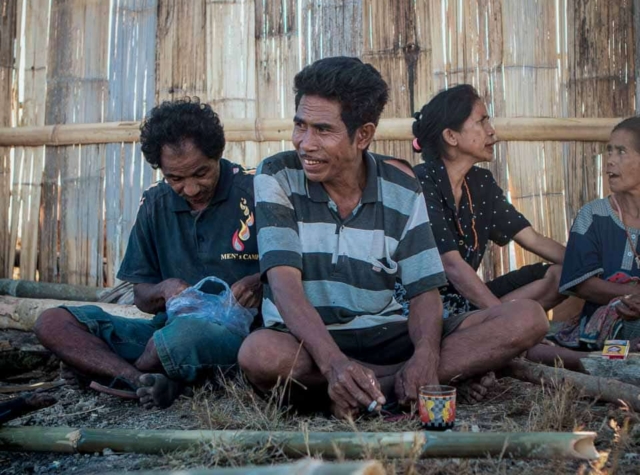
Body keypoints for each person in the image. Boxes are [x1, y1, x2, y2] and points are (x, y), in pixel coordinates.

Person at [238, 57, 549, 419]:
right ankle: (381, 386)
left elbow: (424, 290)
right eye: (300, 126)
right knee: (260, 354)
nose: (305, 143)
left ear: (363, 135)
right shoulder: (276, 175)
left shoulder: (401, 187)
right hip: (308, 342)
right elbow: (283, 284)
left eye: (323, 130)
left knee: (528, 318)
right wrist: (334, 363)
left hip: (384, 334)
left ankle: (370, 391)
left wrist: (426, 356)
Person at [34, 99, 261, 409]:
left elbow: (299, 268)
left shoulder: (255, 191)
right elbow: (141, 296)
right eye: (176, 179)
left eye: (201, 173)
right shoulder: (156, 203)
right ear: (161, 170)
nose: (191, 189)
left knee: (177, 339)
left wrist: (260, 280)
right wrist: (163, 289)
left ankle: (113, 374)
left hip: (239, 334)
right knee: (52, 321)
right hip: (164, 330)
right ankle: (139, 380)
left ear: (217, 154)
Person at [409, 84, 566, 319]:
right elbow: (451, 265)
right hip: (424, 311)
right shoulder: (420, 182)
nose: (492, 132)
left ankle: (495, 326)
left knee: (562, 276)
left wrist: (596, 268)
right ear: (451, 136)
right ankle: (498, 330)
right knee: (509, 322)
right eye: (481, 122)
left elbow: (532, 239)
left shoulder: (481, 182)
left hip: (469, 302)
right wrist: (501, 319)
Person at [552, 117, 640, 350]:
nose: (609, 161)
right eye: (609, 151)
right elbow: (584, 285)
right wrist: (630, 294)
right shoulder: (592, 215)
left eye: (621, 151)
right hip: (605, 323)